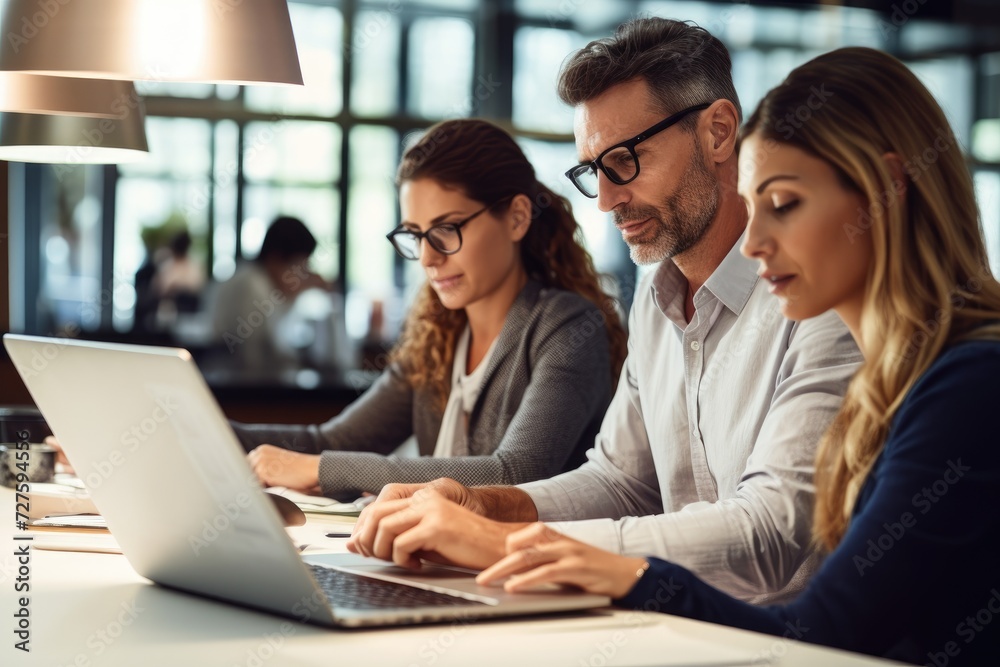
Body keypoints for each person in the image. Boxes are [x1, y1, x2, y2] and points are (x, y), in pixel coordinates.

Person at [475, 47, 1000, 666]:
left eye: (782, 205)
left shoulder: (967, 381)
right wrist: (499, 513)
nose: (753, 241)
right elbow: (623, 480)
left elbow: (823, 620)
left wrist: (617, 572)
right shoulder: (904, 377)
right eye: (596, 170)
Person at [346, 17, 862, 604]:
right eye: (594, 171)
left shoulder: (821, 298)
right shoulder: (655, 297)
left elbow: (768, 537)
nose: (609, 200)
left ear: (719, 132)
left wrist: (499, 540)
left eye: (624, 161)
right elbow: (621, 482)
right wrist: (490, 504)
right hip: (665, 621)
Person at [232, 119, 627, 498]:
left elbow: (514, 472)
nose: (427, 258)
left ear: (517, 218)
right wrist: (198, 425)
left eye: (446, 229)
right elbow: (331, 441)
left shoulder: (569, 326)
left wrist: (318, 469)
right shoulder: (437, 335)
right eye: (416, 235)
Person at [212, 215, 331, 377]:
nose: (302, 277)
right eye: (298, 267)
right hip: (236, 386)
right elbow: (260, 354)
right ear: (274, 259)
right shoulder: (252, 285)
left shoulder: (256, 279)